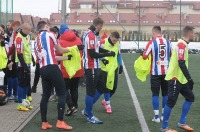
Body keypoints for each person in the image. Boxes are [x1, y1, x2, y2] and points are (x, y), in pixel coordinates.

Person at [35, 21, 83, 130]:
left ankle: (44, 122)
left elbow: (52, 56)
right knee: (62, 93)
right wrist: (74, 48)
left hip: (43, 69)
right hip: (52, 68)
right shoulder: (50, 34)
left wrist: (67, 58)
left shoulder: (36, 39)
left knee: (46, 96)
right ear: (46, 27)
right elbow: (60, 50)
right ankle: (60, 121)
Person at [161, 26, 195, 132]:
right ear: (189, 34)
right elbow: (181, 63)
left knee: (190, 97)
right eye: (193, 33)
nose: (194, 35)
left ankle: (182, 122)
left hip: (181, 78)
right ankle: (164, 127)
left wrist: (187, 79)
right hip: (175, 78)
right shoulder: (181, 45)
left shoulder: (183, 44)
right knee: (171, 101)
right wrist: (189, 79)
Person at [82, 17, 115, 124]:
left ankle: (87, 110)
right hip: (91, 67)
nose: (101, 28)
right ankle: (89, 115)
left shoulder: (92, 34)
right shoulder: (90, 35)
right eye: (101, 26)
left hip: (96, 67)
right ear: (99, 25)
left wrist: (107, 52)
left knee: (102, 88)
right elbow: (92, 53)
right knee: (90, 92)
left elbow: (96, 48)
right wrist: (106, 54)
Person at [142, 26, 171, 123]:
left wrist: (143, 53)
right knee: (165, 93)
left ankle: (156, 117)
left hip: (155, 72)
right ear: (161, 32)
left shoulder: (151, 42)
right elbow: (171, 55)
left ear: (153, 32)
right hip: (167, 72)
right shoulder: (168, 42)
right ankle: (163, 115)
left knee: (155, 94)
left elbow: (145, 56)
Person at [92, 31, 123, 114]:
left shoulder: (118, 43)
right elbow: (96, 54)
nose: (115, 42)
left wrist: (121, 65)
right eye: (114, 40)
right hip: (104, 69)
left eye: (116, 41)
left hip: (113, 69)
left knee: (113, 88)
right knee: (104, 89)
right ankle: (107, 105)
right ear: (110, 37)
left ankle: (105, 101)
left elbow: (118, 55)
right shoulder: (102, 42)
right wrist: (103, 59)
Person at [58, 24, 84, 116]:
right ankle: (75, 107)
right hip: (77, 68)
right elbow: (81, 53)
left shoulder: (60, 41)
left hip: (66, 69)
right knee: (74, 88)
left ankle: (71, 107)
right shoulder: (78, 39)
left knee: (63, 89)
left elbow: (58, 54)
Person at [15, 23, 33, 111]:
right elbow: (19, 54)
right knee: (21, 83)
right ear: (24, 29)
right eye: (28, 30)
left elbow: (28, 50)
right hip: (22, 65)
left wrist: (32, 59)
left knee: (26, 84)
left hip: (27, 64)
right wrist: (25, 66)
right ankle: (19, 104)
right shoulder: (19, 38)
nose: (29, 32)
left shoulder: (27, 37)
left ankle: (25, 103)